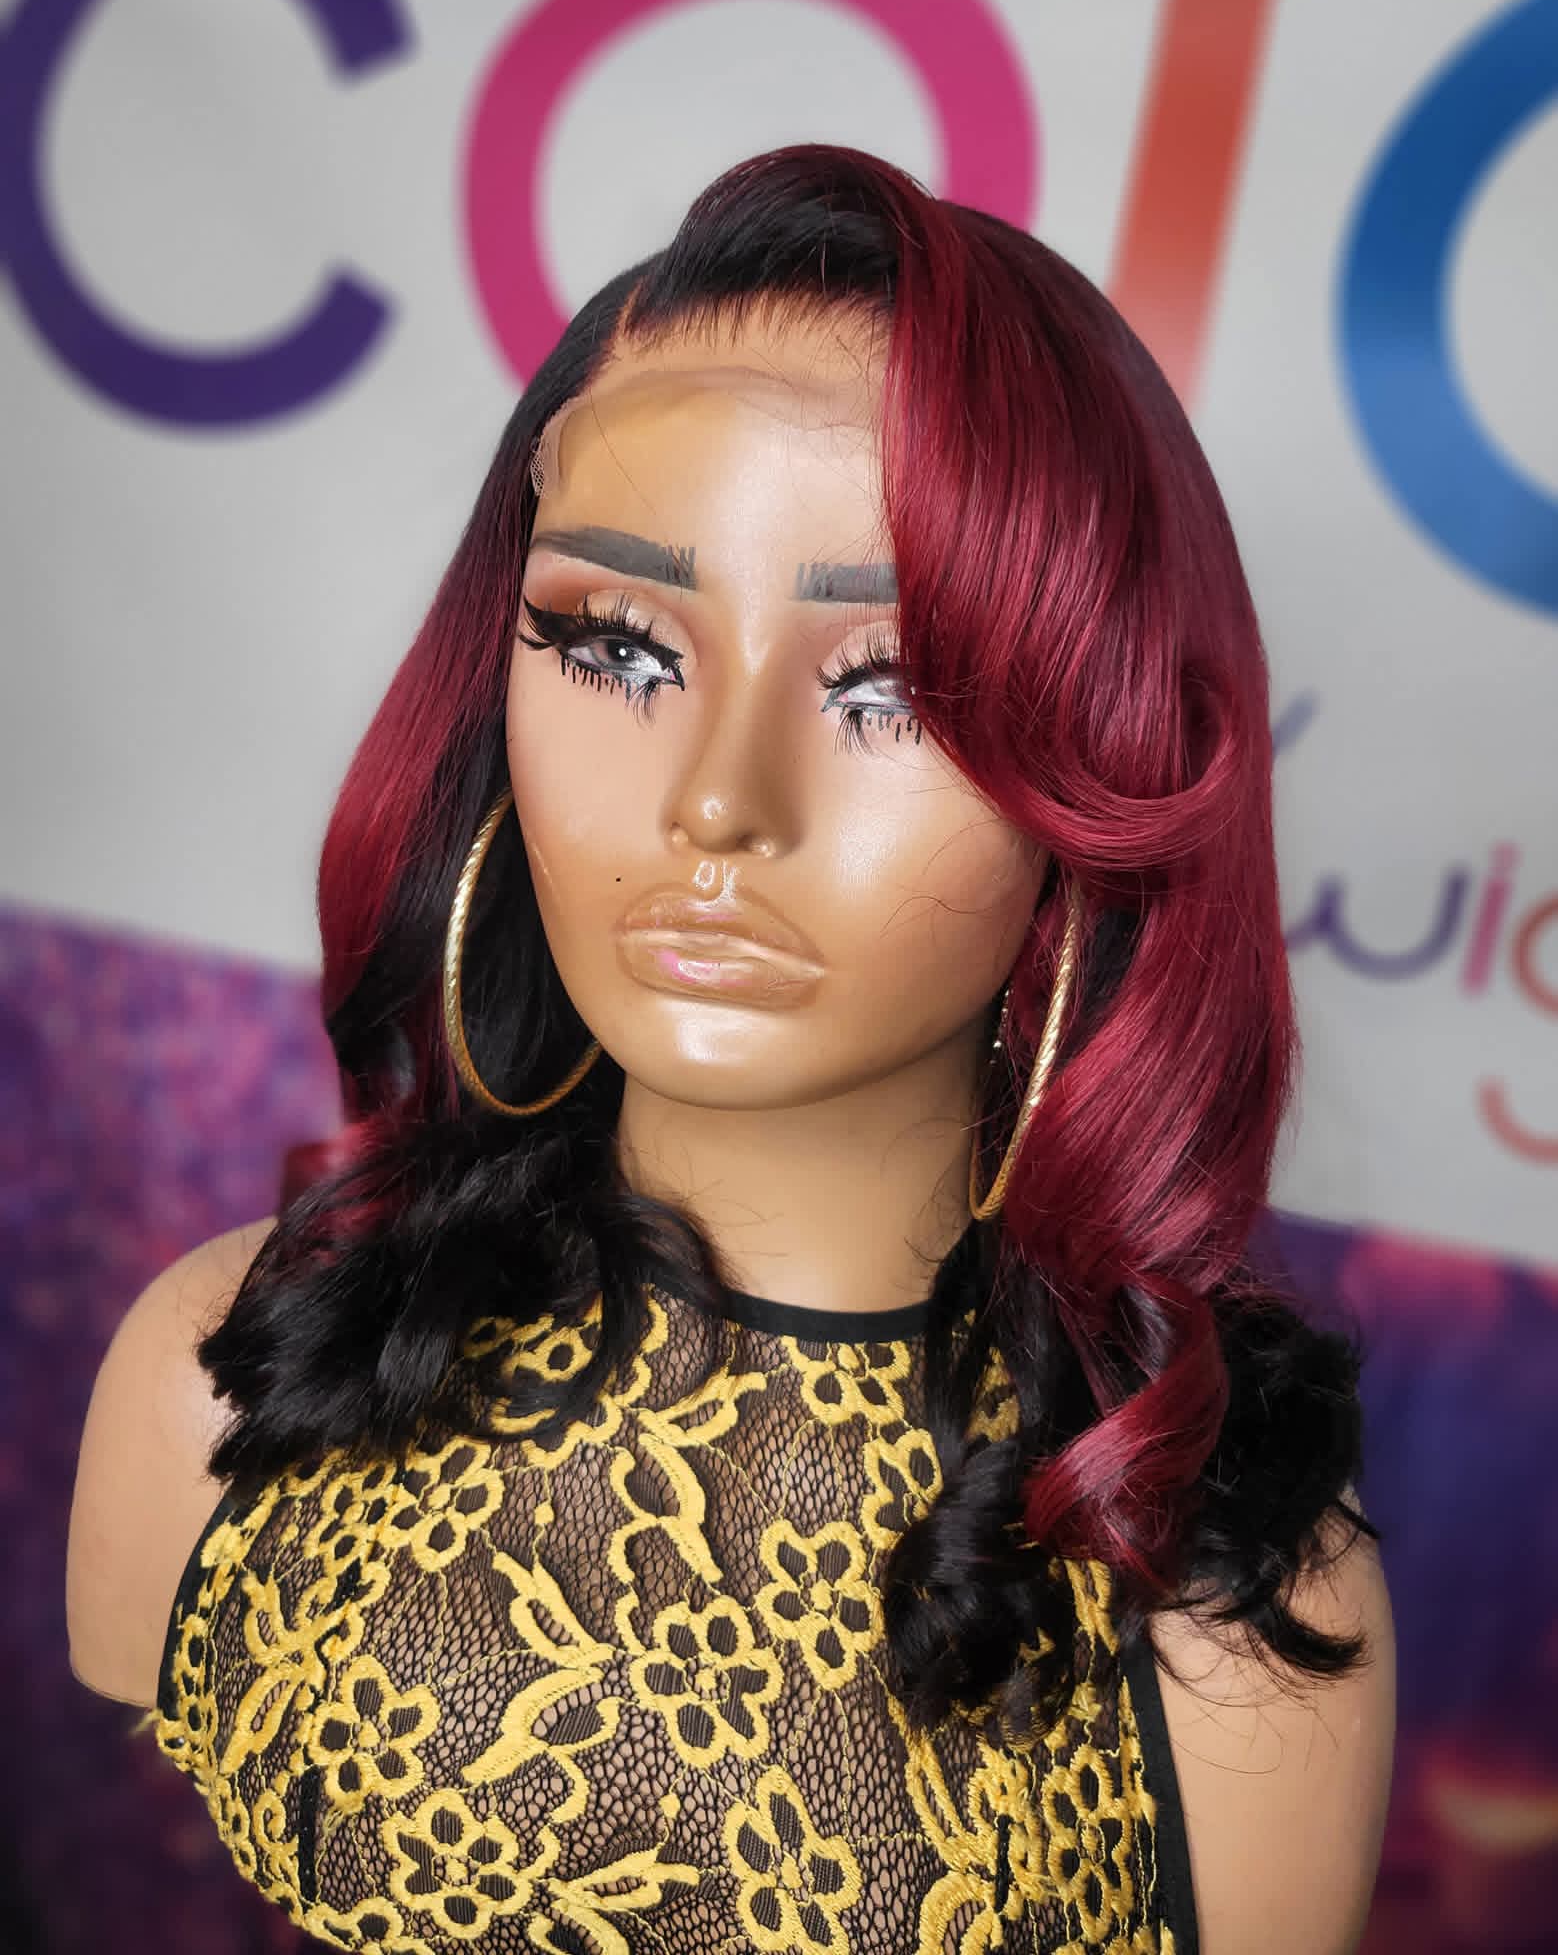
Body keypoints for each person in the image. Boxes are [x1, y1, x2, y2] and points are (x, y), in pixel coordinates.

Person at [67, 144, 1394, 1953]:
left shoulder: (1214, 1600)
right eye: (618, 648)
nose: (716, 803)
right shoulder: (225, 1387)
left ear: (1095, 770)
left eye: (888, 688)